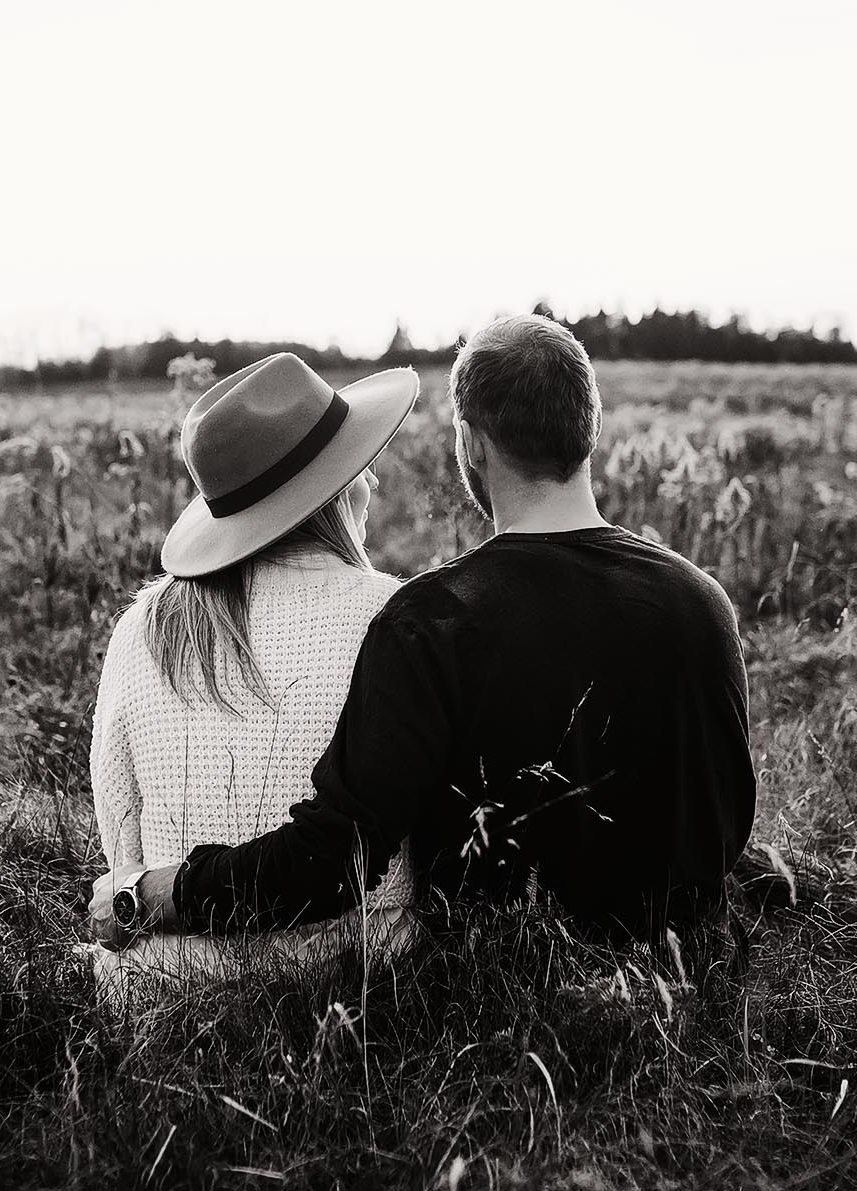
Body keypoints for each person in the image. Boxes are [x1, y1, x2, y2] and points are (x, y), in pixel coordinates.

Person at [90, 314, 756, 957]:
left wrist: (156, 891)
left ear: (471, 442)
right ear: (593, 425)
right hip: (693, 983)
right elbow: (731, 818)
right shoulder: (705, 601)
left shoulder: (433, 619)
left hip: (502, 1005)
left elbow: (335, 857)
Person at [88, 352, 422, 1000]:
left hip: (166, 986)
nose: (373, 483)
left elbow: (119, 841)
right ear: (330, 490)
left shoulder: (139, 630)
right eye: (359, 465)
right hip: (358, 977)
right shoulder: (394, 617)